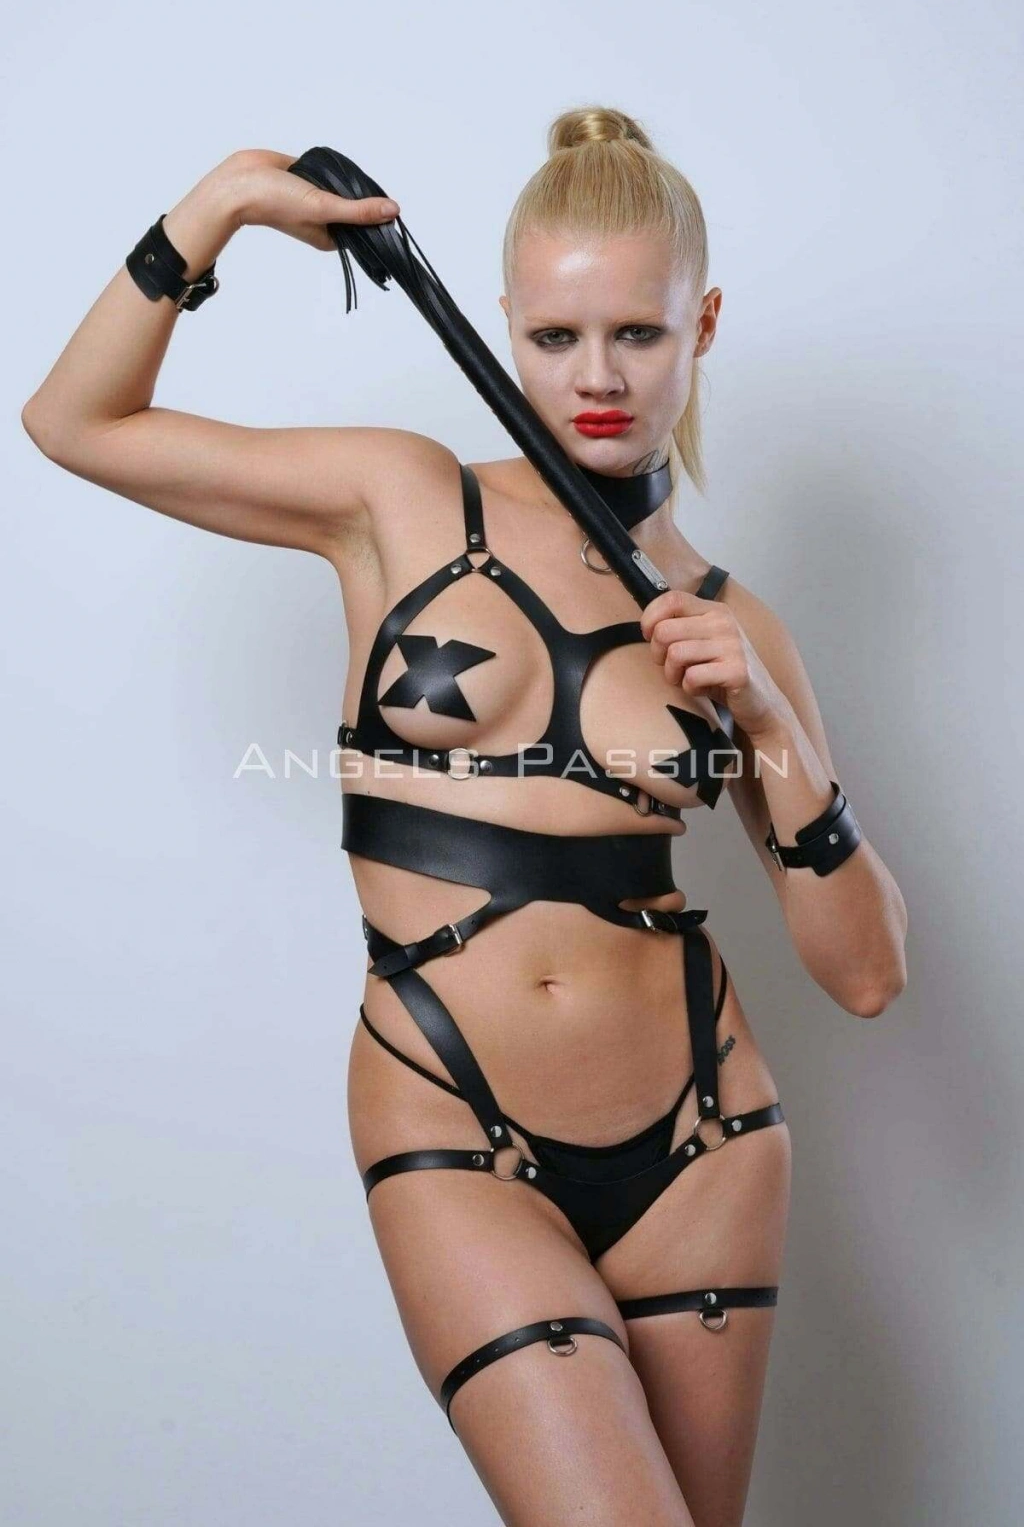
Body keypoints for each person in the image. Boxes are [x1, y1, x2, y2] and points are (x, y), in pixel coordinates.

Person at [22, 107, 907, 1527]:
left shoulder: (737, 623)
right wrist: (217, 208)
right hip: (452, 1119)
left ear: (703, 325)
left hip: (706, 1144)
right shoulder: (399, 499)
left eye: (639, 333)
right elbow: (75, 424)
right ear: (504, 326)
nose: (598, 377)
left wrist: (772, 726)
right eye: (556, 337)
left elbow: (866, 974)